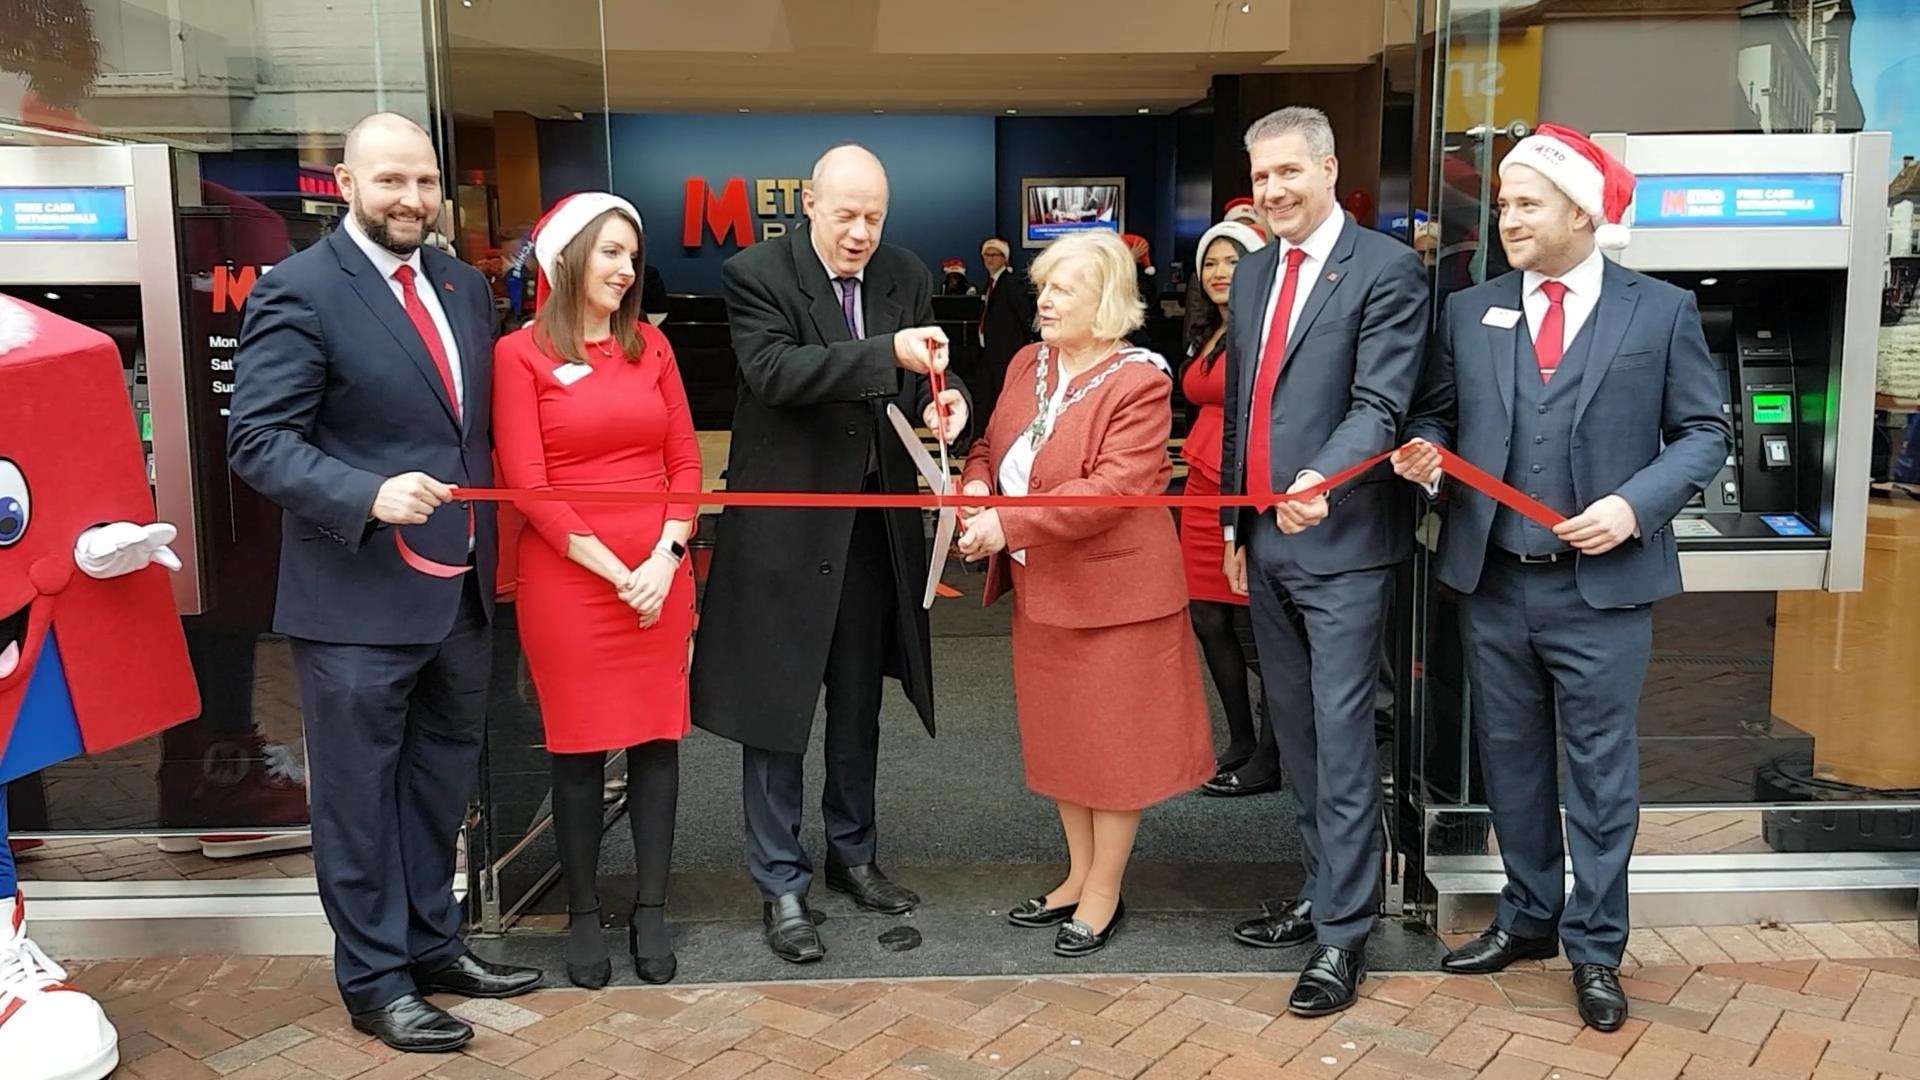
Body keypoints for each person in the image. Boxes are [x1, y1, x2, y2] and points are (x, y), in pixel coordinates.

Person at [1392, 124, 1731, 1031]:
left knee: (1600, 774)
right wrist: (1427, 453)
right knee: (1511, 764)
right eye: (1503, 203)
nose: (1508, 218)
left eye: (1527, 202)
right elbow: (1436, 413)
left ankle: (1596, 947)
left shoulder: (1657, 311)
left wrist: (1633, 506)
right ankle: (1529, 916)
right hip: (1496, 581)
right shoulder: (1472, 309)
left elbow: (1706, 431)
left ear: (1583, 212)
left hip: (1604, 590)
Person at [226, 112, 539, 1053]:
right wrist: (366, 493)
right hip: (356, 598)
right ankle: (373, 980)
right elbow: (258, 441)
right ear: (346, 184)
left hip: (457, 594)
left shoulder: (460, 285)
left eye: (424, 182)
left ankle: (432, 944)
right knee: (358, 799)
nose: (410, 199)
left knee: (439, 786)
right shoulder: (299, 290)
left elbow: (464, 429)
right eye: (390, 181)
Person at [691, 144, 969, 965]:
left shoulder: (905, 274)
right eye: (845, 215)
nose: (859, 234)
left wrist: (945, 403)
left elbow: (916, 387)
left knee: (857, 703)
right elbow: (778, 373)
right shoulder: (756, 274)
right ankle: (780, 881)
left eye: (874, 218)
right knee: (774, 711)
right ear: (809, 203)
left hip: (872, 531)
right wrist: (891, 356)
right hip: (783, 531)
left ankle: (854, 853)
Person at [1216, 106, 1428, 1017]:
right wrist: (1234, 528)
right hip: (1266, 542)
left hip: (1342, 543)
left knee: (1342, 740)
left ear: (1330, 169)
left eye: (1288, 174)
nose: (1273, 193)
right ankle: (1322, 888)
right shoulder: (1256, 272)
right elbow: (1241, 410)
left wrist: (1318, 480)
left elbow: (1380, 405)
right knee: (1294, 735)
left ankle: (1345, 938)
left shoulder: (1386, 269)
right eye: (1261, 178)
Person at [955, 229, 1214, 958]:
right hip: (1046, 592)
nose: (1046, 301)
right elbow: (989, 447)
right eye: (1045, 287)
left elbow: (1112, 491)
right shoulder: (1026, 362)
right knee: (1064, 742)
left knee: (1114, 750)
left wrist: (1007, 526)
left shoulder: (1141, 380)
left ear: (1105, 299)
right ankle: (1076, 875)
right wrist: (976, 485)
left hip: (1116, 599)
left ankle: (1104, 891)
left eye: (1063, 288)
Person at [491, 192, 700, 989]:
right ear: (567, 259)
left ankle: (650, 906)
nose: (624, 268)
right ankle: (582, 912)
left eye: (631, 254)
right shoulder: (520, 355)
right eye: (609, 251)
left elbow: (685, 460)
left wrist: (666, 555)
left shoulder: (652, 347)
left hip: (659, 570)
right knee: (577, 751)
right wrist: (618, 573)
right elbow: (528, 485)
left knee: (655, 743)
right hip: (571, 584)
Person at [1177, 215, 1282, 799]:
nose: (1220, 273)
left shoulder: (1267, 331)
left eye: (1233, 261)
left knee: (1257, 626)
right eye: (1210, 263)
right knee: (1207, 617)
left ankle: (1272, 753)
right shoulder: (1208, 332)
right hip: (1198, 484)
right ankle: (1241, 742)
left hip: (1243, 483)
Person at [978, 237, 1034, 422]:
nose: (989, 259)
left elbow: (1024, 314)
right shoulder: (989, 284)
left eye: (994, 255)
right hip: (991, 353)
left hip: (1007, 353)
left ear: (1005, 258)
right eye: (986, 255)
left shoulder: (1011, 282)